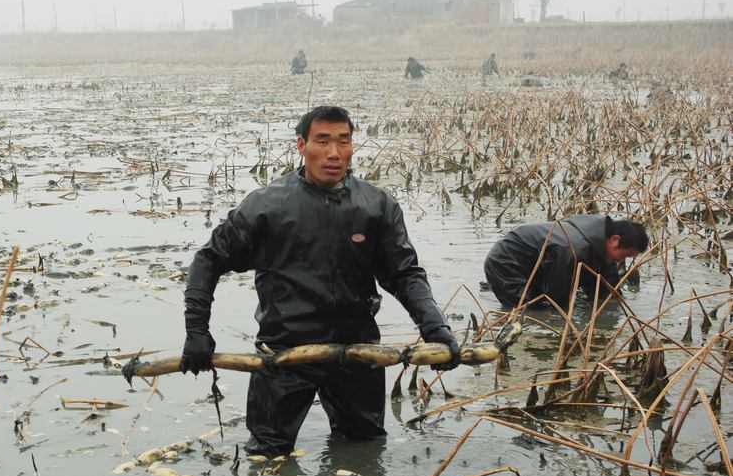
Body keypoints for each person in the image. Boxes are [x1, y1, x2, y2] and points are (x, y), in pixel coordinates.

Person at [181, 106, 459, 456]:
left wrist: (436, 328)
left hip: (358, 352)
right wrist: (197, 331)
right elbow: (208, 261)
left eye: (344, 141)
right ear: (302, 145)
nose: (334, 153)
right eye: (323, 141)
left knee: (365, 452)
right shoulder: (266, 207)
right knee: (267, 458)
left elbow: (405, 274)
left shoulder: (376, 206)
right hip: (284, 355)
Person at [484, 215, 648, 311]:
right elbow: (557, 300)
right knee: (535, 309)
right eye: (625, 255)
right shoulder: (574, 250)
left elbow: (608, 291)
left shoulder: (602, 248)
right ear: (615, 240)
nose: (621, 260)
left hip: (539, 266)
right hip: (506, 262)